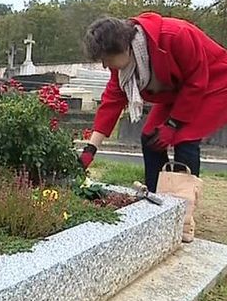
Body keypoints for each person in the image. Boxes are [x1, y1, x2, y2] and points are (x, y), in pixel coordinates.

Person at [79, 12, 227, 192]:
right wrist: (90, 150)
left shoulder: (175, 35)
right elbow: (112, 101)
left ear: (124, 47)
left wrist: (173, 124)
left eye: (107, 59)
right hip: (179, 91)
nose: (105, 65)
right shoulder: (124, 67)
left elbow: (196, 82)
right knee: (151, 137)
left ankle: (183, 204)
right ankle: (157, 197)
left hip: (214, 83)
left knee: (184, 139)